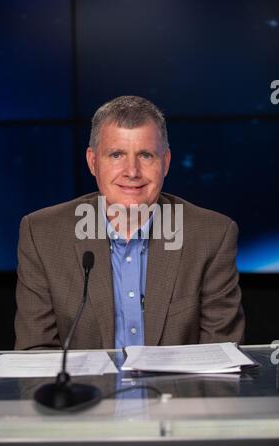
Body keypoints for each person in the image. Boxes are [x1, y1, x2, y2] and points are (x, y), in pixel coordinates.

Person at [15, 96, 245, 350]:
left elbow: (222, 360)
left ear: (165, 163)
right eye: (116, 155)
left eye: (145, 155)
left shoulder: (212, 235)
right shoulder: (42, 235)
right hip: (86, 391)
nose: (132, 172)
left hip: (179, 391)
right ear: (93, 162)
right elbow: (34, 356)